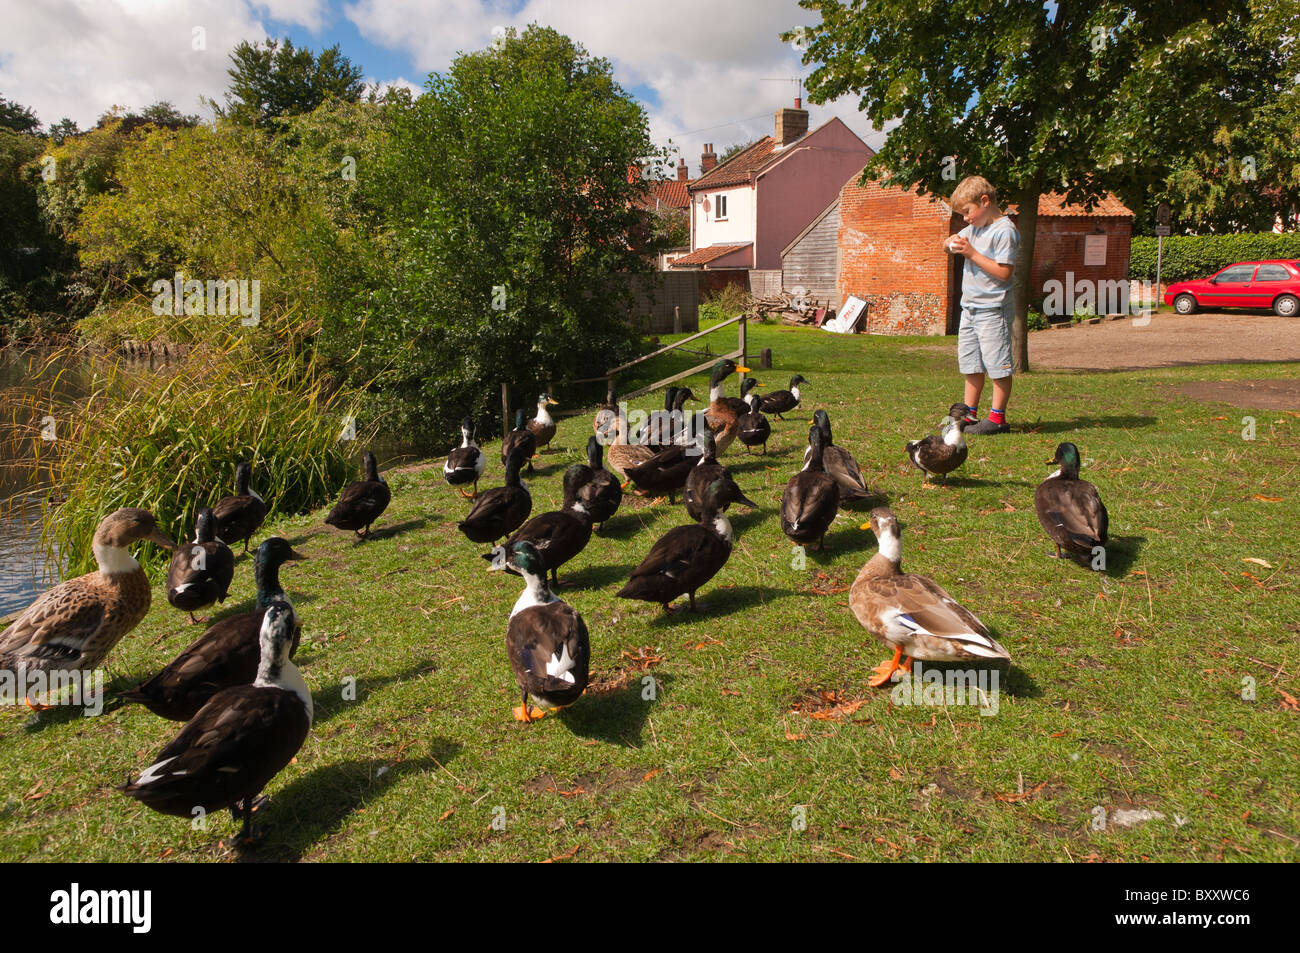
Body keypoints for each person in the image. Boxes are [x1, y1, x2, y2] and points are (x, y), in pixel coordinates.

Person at [945, 175, 1019, 435]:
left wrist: (971, 254)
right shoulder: (974, 229)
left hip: (992, 311)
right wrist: (951, 243)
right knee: (971, 364)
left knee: (997, 365)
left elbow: (1004, 273)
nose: (965, 218)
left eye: (967, 212)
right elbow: (952, 244)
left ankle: (998, 419)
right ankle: (970, 414)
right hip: (970, 309)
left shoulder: (1004, 231)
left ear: (984, 201)